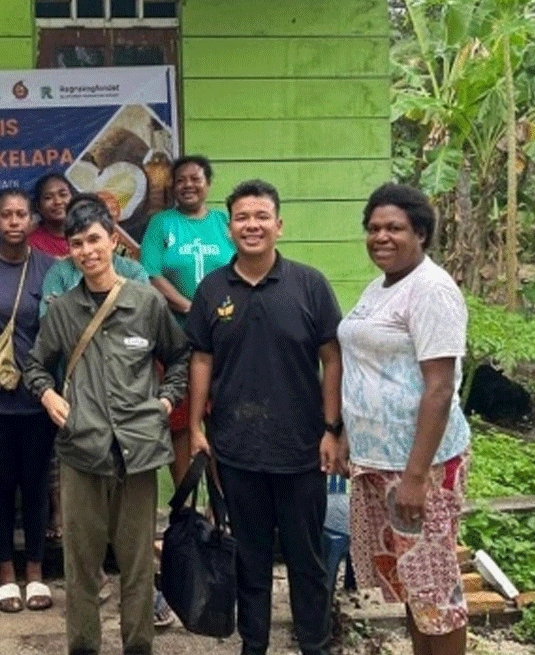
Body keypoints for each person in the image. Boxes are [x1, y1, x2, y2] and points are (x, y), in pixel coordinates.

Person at [23, 196, 189, 655]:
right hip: (82, 449)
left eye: (94, 239)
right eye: (76, 244)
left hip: (138, 451)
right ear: (68, 251)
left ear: (114, 241)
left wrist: (165, 400)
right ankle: (84, 647)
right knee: (81, 566)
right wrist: (48, 393)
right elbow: (35, 366)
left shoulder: (146, 303)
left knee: (137, 566)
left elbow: (177, 359)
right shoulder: (62, 308)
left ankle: (139, 646)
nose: (86, 251)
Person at [185, 180, 343, 655]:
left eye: (261, 217)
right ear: (228, 227)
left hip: (301, 450)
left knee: (307, 560)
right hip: (236, 451)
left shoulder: (310, 285)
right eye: (241, 218)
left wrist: (333, 429)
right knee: (248, 560)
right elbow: (201, 360)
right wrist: (195, 426)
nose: (251, 226)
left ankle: (313, 643)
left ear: (279, 225)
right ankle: (254, 646)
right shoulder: (212, 289)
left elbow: (332, 358)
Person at [337, 183, 472, 655]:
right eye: (373, 228)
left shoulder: (432, 289)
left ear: (421, 233)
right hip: (378, 461)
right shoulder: (381, 287)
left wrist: (415, 477)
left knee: (436, 587)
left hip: (420, 465)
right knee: (413, 588)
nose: (381, 237)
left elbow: (439, 388)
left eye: (394, 227)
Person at [0, 189, 58, 614]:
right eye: (7, 215)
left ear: (33, 219)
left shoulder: (51, 269)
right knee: (2, 484)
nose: (15, 222)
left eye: (22, 214)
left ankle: (36, 571)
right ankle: (5, 570)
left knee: (37, 485)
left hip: (41, 399)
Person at [141, 155, 236, 485]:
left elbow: (243, 269)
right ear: (172, 186)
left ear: (208, 183)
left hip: (225, 340)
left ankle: (223, 514)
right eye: (180, 180)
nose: (188, 185)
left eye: (195, 178)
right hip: (176, 344)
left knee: (224, 424)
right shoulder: (162, 224)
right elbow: (151, 274)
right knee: (180, 423)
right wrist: (192, 310)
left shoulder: (225, 223)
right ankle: (186, 517)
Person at [27, 173, 74, 258]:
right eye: (48, 197)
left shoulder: (87, 233)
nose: (58, 202)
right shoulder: (33, 244)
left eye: (63, 195)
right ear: (38, 206)